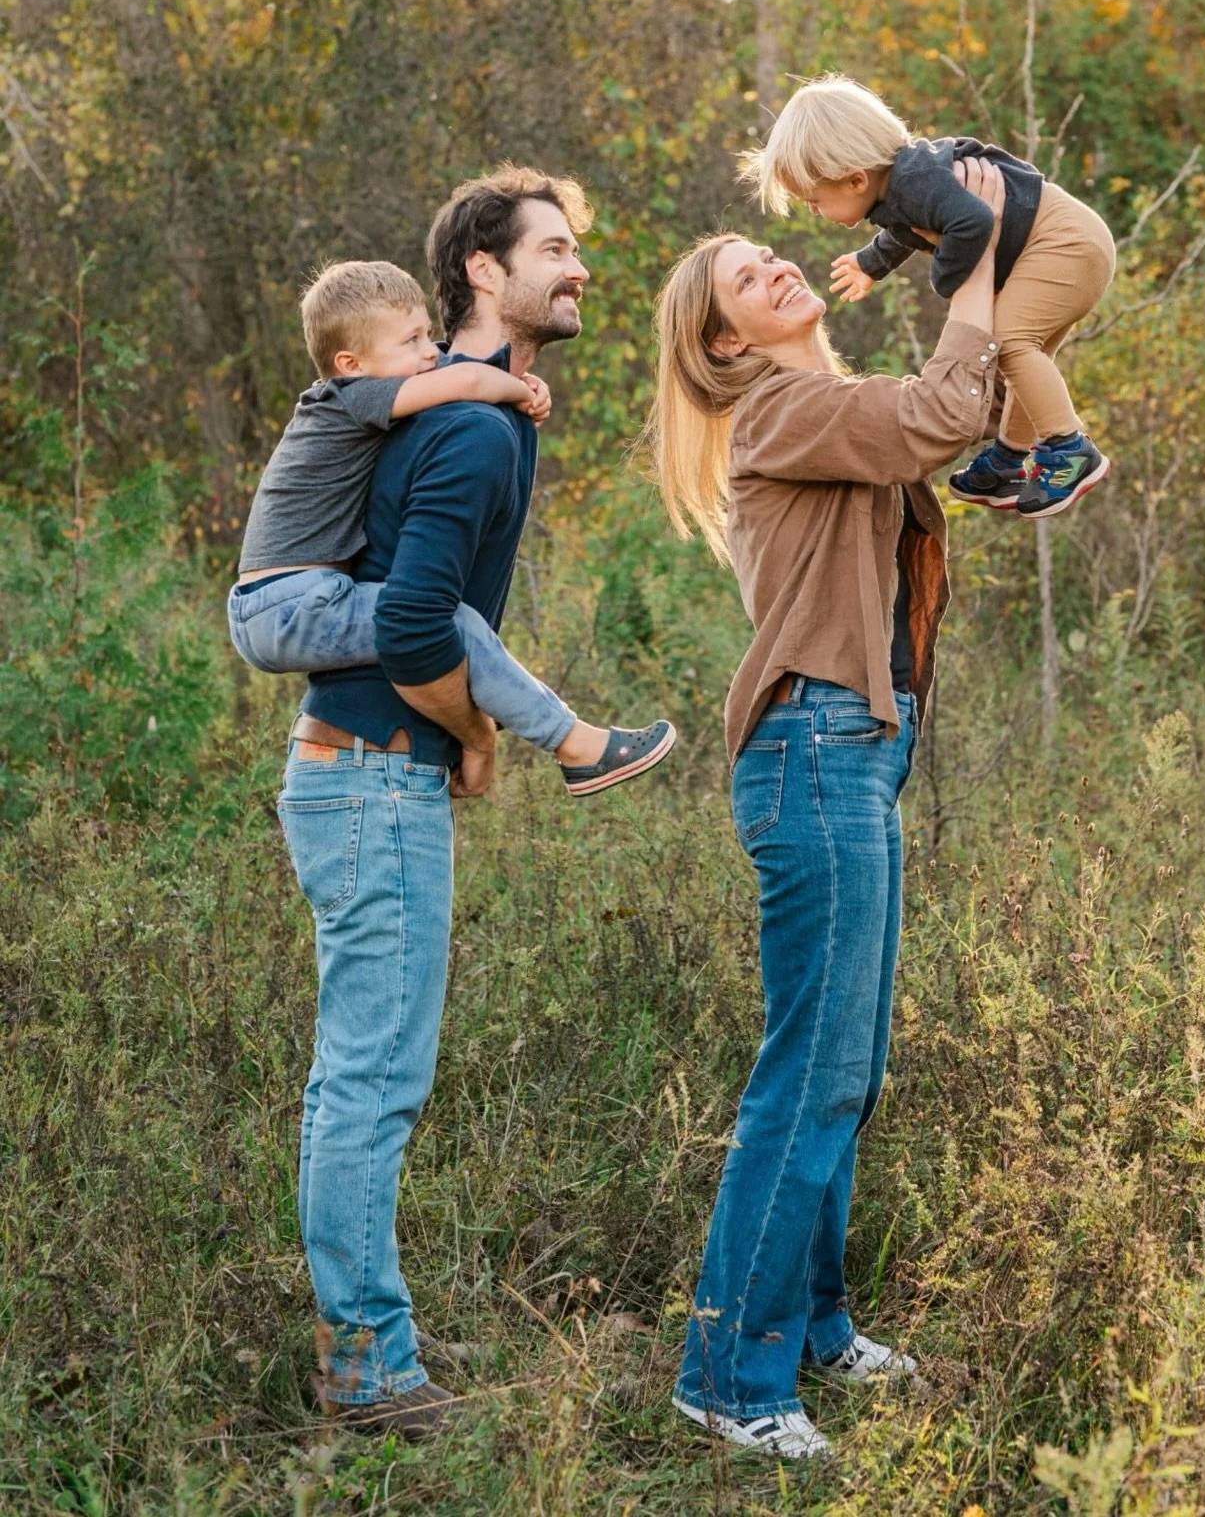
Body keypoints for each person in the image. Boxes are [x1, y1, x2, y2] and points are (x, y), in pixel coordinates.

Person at [274, 169, 676, 1444]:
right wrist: (477, 735)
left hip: (370, 773)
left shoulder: (469, 414)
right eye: (556, 249)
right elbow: (406, 620)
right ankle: (368, 1370)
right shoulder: (467, 426)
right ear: (483, 274)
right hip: (376, 778)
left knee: (369, 1075)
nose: (582, 268)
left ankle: (370, 1340)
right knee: (371, 1081)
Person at [645, 157, 1007, 1458]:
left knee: (845, 1071)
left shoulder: (820, 398)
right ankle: (729, 1379)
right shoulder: (777, 411)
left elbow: (928, 430)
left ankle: (808, 1328)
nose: (776, 265)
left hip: (857, 747)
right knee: (809, 1074)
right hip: (812, 750)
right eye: (746, 275)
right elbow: (938, 417)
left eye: (768, 253)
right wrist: (973, 257)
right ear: (724, 340)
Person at [228, 258, 675, 798]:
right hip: (287, 608)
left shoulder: (363, 388)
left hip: (283, 602)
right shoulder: (350, 396)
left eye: (426, 333)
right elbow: (462, 376)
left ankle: (514, 717)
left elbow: (447, 365)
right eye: (411, 341)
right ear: (350, 362)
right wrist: (520, 391)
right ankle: (574, 744)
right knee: (447, 621)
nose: (427, 351)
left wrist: (511, 379)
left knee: (444, 622)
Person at [738, 72, 1116, 519]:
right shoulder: (902, 184)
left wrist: (948, 281)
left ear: (855, 180)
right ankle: (1010, 460)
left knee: (1011, 343)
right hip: (1062, 246)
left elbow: (972, 222)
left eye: (814, 200)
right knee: (1015, 354)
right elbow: (909, 229)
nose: (815, 211)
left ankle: (1069, 449)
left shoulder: (916, 182)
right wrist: (870, 264)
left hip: (1065, 246)